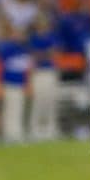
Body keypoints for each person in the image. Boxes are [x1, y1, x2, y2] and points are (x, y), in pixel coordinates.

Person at [28, 12, 60, 140]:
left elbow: (53, 53)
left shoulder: (51, 36)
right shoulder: (33, 38)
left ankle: (51, 128)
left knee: (50, 100)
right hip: (38, 72)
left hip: (49, 71)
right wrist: (44, 54)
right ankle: (35, 129)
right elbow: (34, 55)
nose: (41, 25)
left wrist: (43, 54)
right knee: (38, 101)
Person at [0, 17, 30, 144]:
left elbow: (25, 67)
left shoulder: (24, 48)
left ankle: (17, 133)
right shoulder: (6, 48)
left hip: (20, 84)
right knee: (10, 109)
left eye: (21, 34)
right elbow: (2, 66)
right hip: (9, 83)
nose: (19, 36)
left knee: (19, 109)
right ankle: (8, 134)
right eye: (16, 33)